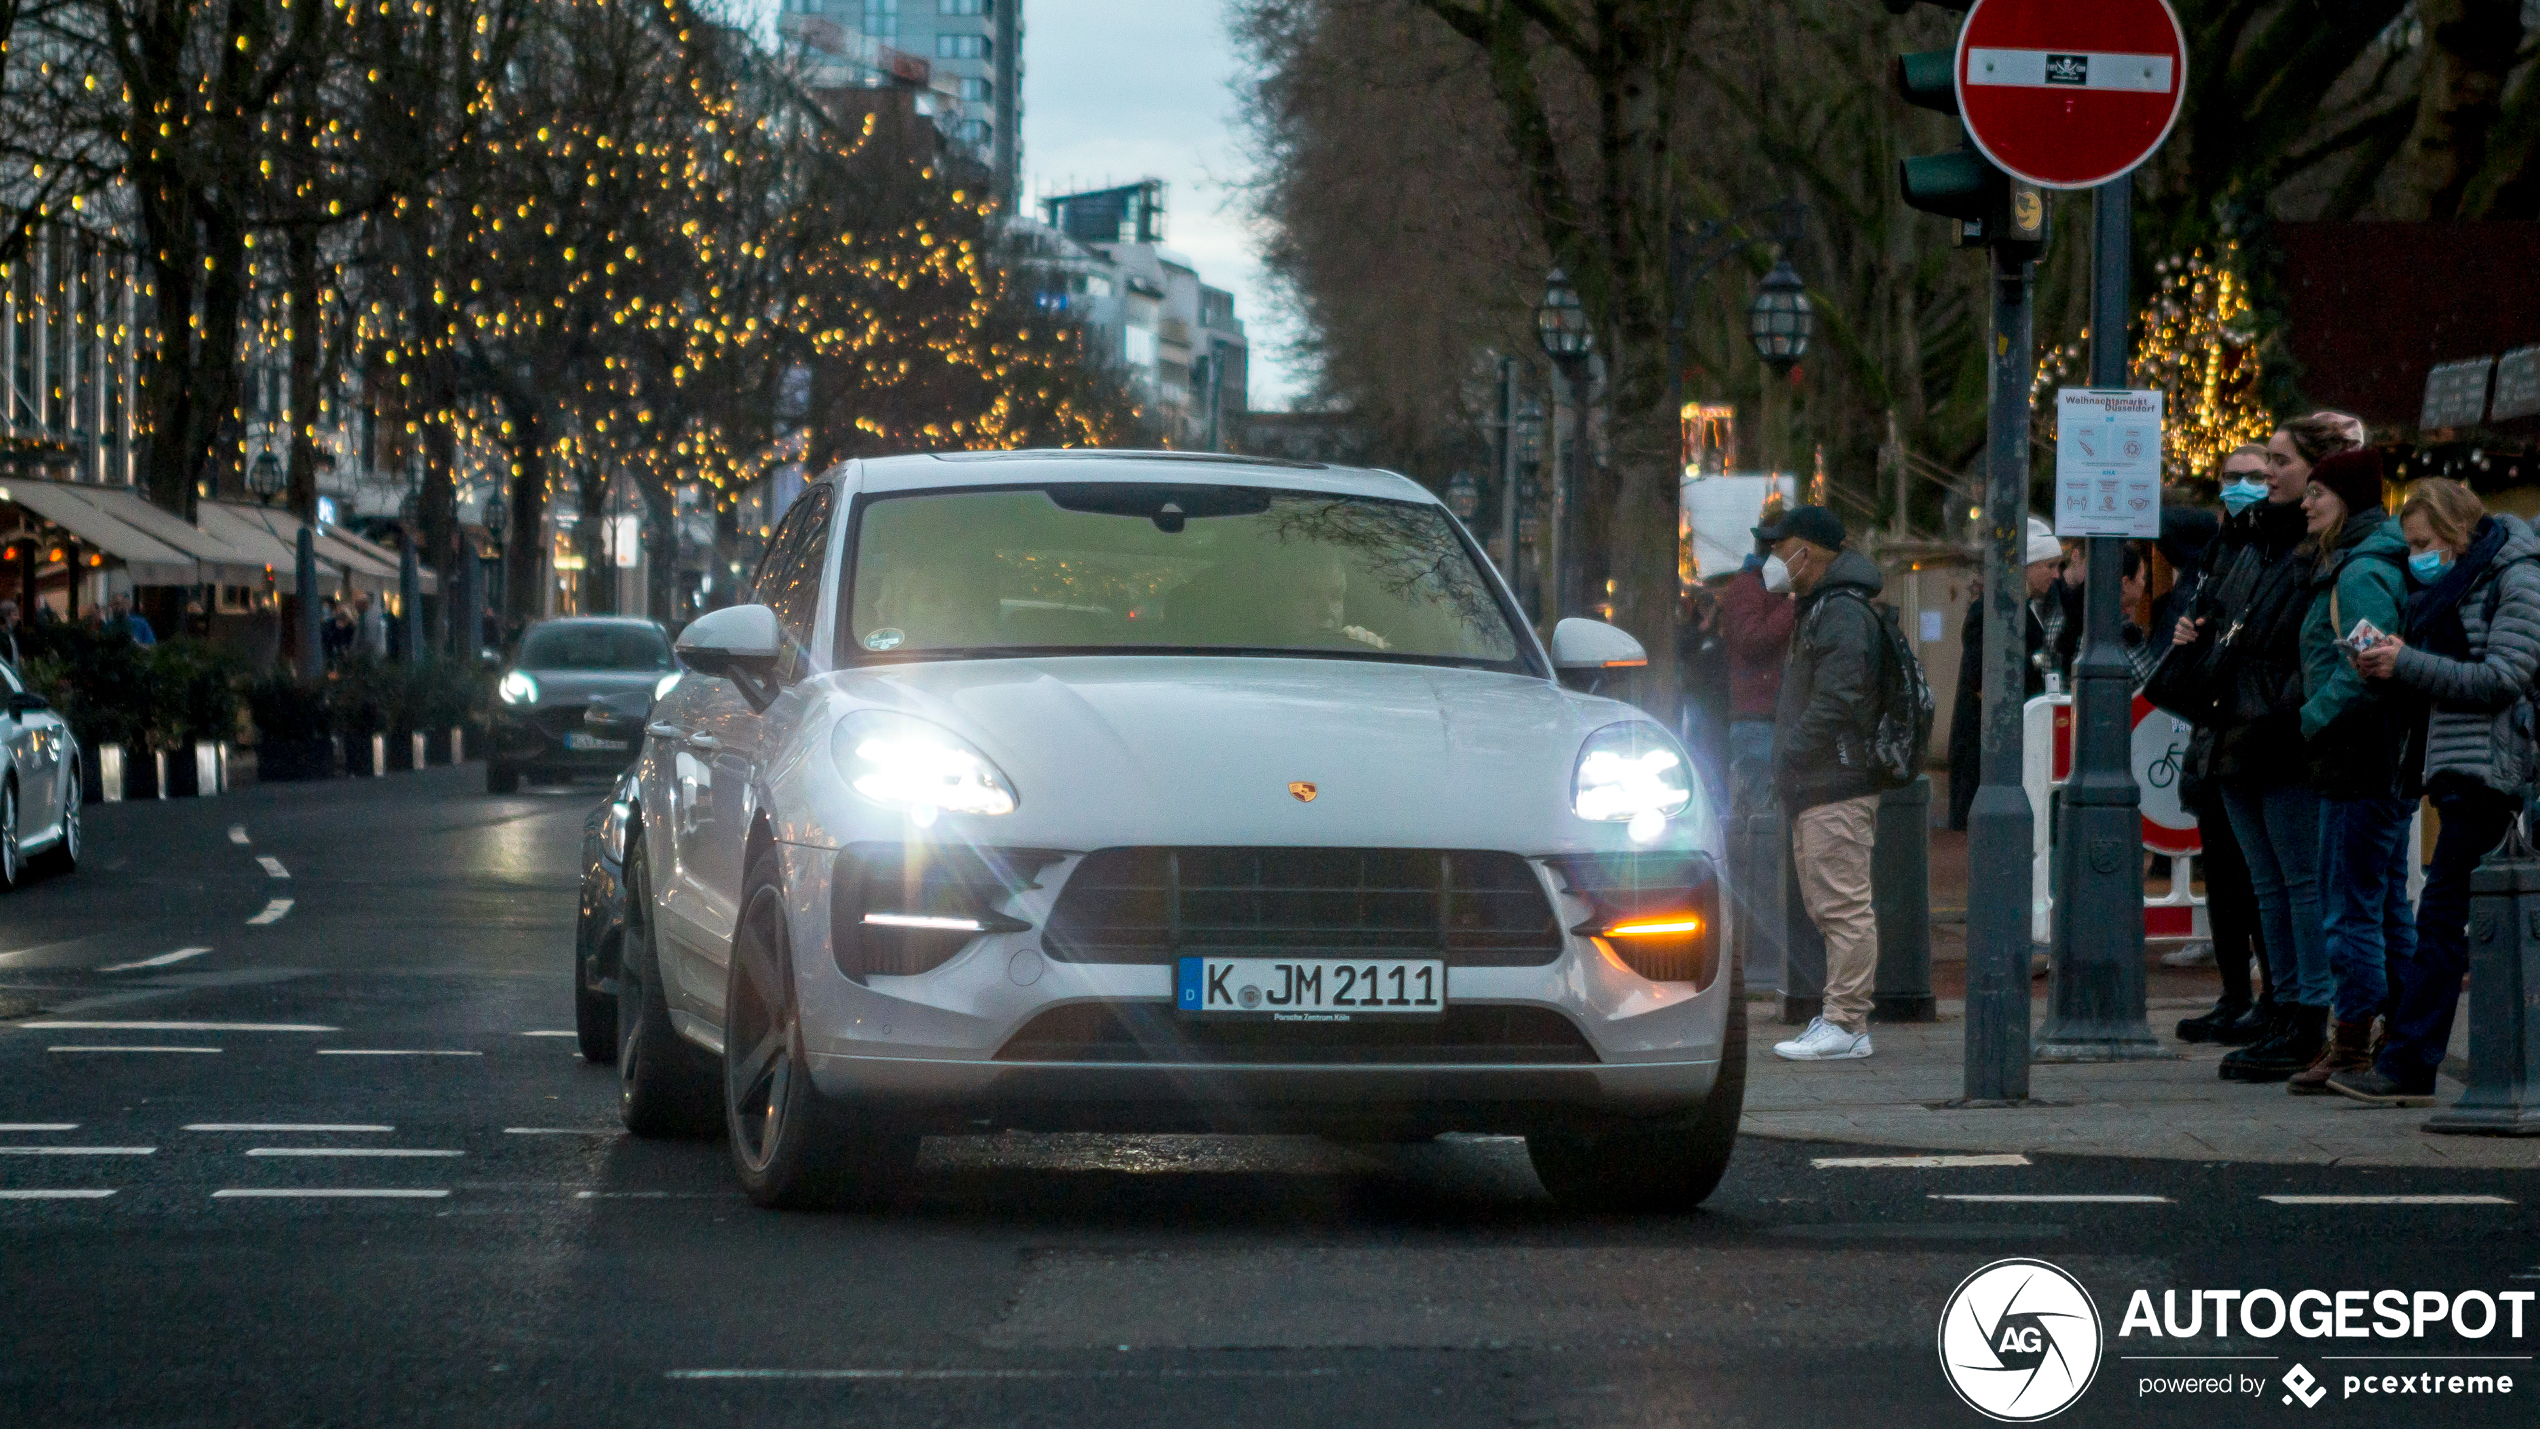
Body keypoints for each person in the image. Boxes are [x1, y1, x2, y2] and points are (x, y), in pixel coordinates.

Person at [2332, 479, 2540, 1104]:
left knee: (2442, 916)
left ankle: (2410, 1062)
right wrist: (2389, 665)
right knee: (2445, 916)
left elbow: (2505, 676)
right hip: (2460, 767)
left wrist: (2409, 664)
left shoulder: (2515, 578)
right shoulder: (2460, 582)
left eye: (2424, 543)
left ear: (2456, 534)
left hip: (2494, 770)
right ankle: (2408, 1059)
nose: (2418, 556)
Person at [2174, 414, 2360, 1081]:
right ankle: (2285, 1005)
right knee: (2269, 883)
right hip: (2237, 724)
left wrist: (2292, 712)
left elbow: (2308, 644)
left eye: (2278, 463)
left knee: (2299, 882)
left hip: (2276, 730)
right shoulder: (2250, 540)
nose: (2269, 477)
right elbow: (2234, 619)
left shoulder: (2315, 546)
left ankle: (2310, 1013)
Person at [2280, 444, 2417, 1095]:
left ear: (2350, 500)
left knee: (2349, 907)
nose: (2306, 503)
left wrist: (2311, 716)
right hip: (2378, 756)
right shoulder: (2368, 559)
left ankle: (2355, 1041)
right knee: (2386, 904)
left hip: (2356, 757)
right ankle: (2405, 1032)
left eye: (2318, 491)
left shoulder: (2360, 572)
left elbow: (2364, 668)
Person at [1758, 505, 1889, 1062]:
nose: (1771, 560)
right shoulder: (1826, 608)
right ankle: (1841, 1018)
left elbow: (1837, 699)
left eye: (1777, 548)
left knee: (1842, 907)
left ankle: (1847, 1023)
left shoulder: (1839, 613)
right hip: (1821, 780)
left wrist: (1790, 753)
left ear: (1804, 553)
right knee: (1831, 906)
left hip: (1834, 779)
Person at [2166, 454, 2276, 1044]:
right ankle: (2236, 993)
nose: (2241, 487)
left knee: (2260, 875)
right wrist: (2192, 630)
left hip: (2246, 724)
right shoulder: (2219, 547)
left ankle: (2273, 997)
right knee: (2224, 876)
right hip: (2213, 724)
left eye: (2256, 475)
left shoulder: (2271, 549)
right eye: (2231, 476)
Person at [1945, 518, 2066, 828]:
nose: (2056, 574)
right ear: (2026, 566)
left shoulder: (2018, 612)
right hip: (1992, 756)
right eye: (2049, 565)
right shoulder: (1992, 613)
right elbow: (1982, 682)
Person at [1717, 537, 1795, 810]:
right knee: (1762, 817)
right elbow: (1751, 640)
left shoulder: (1771, 587)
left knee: (1770, 815)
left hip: (1772, 715)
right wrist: (1791, 606)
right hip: (1758, 718)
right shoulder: (1748, 587)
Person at [1677, 583, 1731, 801]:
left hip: (1715, 704)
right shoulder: (1693, 633)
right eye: (1703, 604)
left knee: (1714, 752)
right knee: (1700, 749)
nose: (1706, 609)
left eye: (1710, 605)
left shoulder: (1718, 639)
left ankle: (1715, 795)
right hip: (1698, 702)